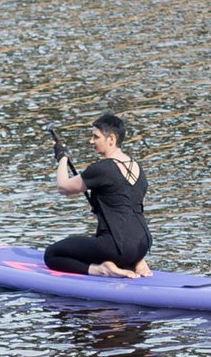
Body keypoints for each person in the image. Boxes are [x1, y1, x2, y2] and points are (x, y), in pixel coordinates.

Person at [43, 113, 152, 278]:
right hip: (143, 243)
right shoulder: (137, 167)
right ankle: (135, 261)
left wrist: (62, 157)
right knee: (103, 240)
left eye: (96, 137)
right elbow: (124, 206)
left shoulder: (102, 168)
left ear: (111, 139)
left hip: (118, 247)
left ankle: (101, 269)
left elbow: (63, 187)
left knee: (52, 255)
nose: (91, 141)